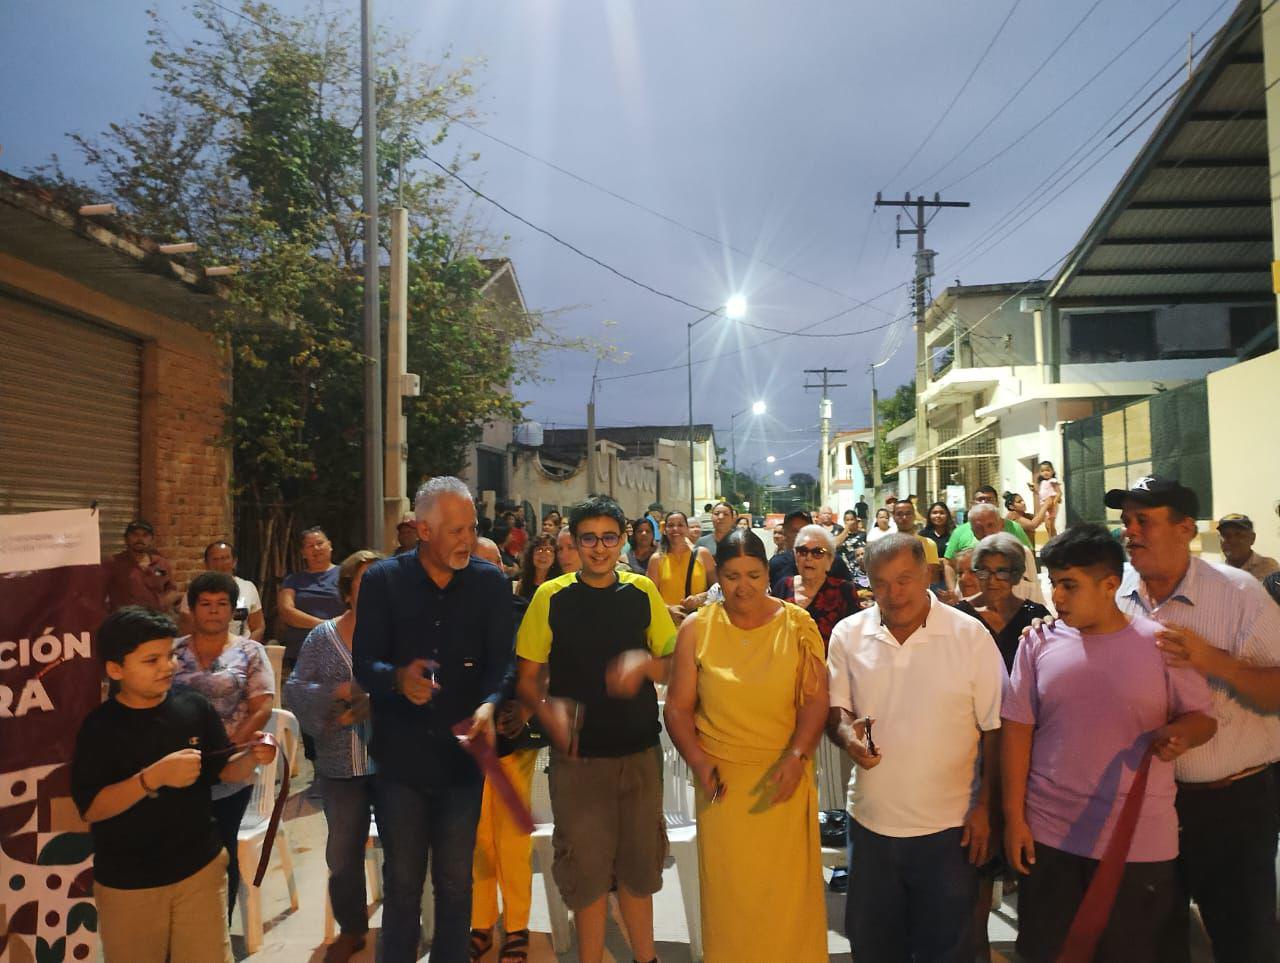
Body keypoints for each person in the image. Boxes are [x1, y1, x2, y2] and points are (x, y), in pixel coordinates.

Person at [1003, 524, 1215, 963]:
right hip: (1049, 835)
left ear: (1110, 585)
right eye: (1053, 584)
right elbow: (1017, 729)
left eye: (1069, 585)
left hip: (1136, 840)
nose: (1057, 597)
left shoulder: (1161, 644)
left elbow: (1203, 719)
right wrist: (1014, 819)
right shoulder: (1038, 642)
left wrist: (1181, 736)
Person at [1105, 476, 1280, 962]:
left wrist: (1215, 661)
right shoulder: (1114, 593)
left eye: (1144, 521)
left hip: (1233, 805)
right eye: (1126, 522)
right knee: (1153, 940)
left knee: (1243, 938)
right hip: (1146, 805)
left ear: (1185, 529)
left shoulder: (1239, 594)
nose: (1131, 532)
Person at [352, 476, 514, 963]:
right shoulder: (383, 581)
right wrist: (398, 680)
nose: (467, 540)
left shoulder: (489, 583)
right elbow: (364, 665)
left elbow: (503, 664)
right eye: (455, 531)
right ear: (423, 529)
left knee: (455, 884)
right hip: (401, 761)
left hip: (462, 763)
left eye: (472, 528)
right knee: (401, 886)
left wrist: (488, 704)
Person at [827, 533, 1006, 962]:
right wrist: (848, 736)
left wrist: (986, 808)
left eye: (905, 579)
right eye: (881, 582)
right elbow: (836, 712)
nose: (894, 593)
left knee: (946, 949)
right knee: (873, 947)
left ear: (926, 572)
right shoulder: (848, 635)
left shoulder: (969, 636)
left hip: (950, 829)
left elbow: (996, 728)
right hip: (870, 826)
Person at [515, 495, 677, 963]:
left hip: (639, 756)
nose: (600, 549)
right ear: (575, 542)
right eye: (589, 538)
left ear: (623, 540)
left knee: (638, 873)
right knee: (585, 878)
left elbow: (673, 664)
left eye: (609, 538)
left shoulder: (642, 592)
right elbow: (527, 681)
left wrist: (645, 662)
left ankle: (644, 958)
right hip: (578, 762)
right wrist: (549, 715)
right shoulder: (552, 597)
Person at [72, 606, 274, 963]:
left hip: (200, 869)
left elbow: (221, 771)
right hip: (130, 883)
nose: (168, 667)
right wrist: (152, 777)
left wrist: (252, 758)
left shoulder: (193, 707)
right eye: (151, 661)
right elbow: (92, 807)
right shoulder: (100, 728)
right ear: (115, 669)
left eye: (168, 656)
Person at [663, 529, 829, 960]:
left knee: (788, 898)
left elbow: (816, 702)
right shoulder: (698, 629)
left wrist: (797, 756)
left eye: (754, 575)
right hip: (723, 789)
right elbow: (678, 710)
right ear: (719, 574)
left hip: (785, 779)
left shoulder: (797, 625)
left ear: (767, 572)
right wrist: (699, 763)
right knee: (731, 899)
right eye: (733, 576)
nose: (744, 586)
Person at [285, 549, 383, 963]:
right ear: (347, 591)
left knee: (404, 849)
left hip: (396, 764)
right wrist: (337, 694)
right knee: (343, 854)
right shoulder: (322, 638)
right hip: (341, 766)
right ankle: (353, 928)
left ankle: (402, 926)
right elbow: (295, 690)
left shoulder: (402, 634)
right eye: (364, 582)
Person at [171, 570, 275, 920]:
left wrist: (227, 748)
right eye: (205, 604)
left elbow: (261, 707)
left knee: (221, 850)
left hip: (231, 766)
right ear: (192, 609)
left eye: (221, 604)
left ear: (233, 610)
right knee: (175, 850)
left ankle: (218, 933)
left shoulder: (250, 651)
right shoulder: (171, 653)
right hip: (174, 768)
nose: (213, 611)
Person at [467, 538, 542, 963]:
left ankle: (517, 928)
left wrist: (528, 708)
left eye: (493, 563)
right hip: (467, 744)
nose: (486, 570)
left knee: (512, 838)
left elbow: (539, 665)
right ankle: (480, 923)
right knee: (477, 838)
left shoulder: (521, 612)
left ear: (505, 568)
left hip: (512, 743)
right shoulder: (451, 615)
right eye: (477, 563)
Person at [957, 533, 1050, 669]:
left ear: (1016, 575)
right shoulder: (959, 614)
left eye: (1002, 572)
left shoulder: (1035, 615)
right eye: (984, 571)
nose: (992, 580)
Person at [776, 524, 863, 649]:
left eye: (818, 552)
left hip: (831, 665)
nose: (808, 558)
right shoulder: (782, 587)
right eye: (802, 551)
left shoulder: (844, 590)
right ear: (795, 556)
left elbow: (856, 639)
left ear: (830, 560)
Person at [278, 527, 345, 672]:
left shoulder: (345, 576)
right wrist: (325, 626)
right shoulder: (293, 580)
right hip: (302, 654)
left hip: (340, 651)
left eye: (320, 543)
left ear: (330, 545)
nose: (316, 548)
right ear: (303, 553)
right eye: (310, 546)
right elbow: (287, 611)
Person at [178, 540, 265, 641]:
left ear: (234, 561)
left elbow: (258, 627)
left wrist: (244, 649)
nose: (220, 563)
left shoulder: (248, 587)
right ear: (206, 564)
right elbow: (187, 629)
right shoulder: (195, 590)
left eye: (225, 558)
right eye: (215, 559)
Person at [646, 510, 717, 626]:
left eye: (680, 525)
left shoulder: (702, 554)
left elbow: (718, 589)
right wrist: (668, 609)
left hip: (699, 623)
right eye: (670, 525)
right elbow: (650, 596)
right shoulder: (656, 559)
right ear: (665, 530)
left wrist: (700, 598)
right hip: (667, 625)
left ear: (687, 529)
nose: (675, 529)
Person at [968, 503, 1044, 605]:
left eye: (990, 525)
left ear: (1001, 524)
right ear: (973, 531)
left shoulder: (1022, 553)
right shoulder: (969, 559)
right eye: (979, 528)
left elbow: (1035, 592)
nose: (986, 532)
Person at [104, 519, 181, 613]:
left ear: (152, 540)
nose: (140, 539)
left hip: (155, 622)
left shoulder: (161, 564)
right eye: (135, 534)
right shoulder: (113, 563)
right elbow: (100, 596)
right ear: (126, 538)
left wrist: (164, 602)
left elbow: (171, 590)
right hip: (125, 622)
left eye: (145, 535)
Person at [770, 509, 851, 594]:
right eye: (795, 531)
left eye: (805, 530)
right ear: (785, 534)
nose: (801, 535)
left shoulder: (833, 561)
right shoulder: (776, 564)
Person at [944, 485, 1035, 556]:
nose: (984, 502)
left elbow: (1027, 555)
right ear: (972, 503)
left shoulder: (1014, 527)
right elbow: (949, 563)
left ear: (997, 503)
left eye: (989, 499)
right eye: (980, 499)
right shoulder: (959, 532)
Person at [892, 499, 944, 588]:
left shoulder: (928, 544)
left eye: (908, 513)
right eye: (900, 514)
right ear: (893, 517)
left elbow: (933, 576)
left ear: (914, 516)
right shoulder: (886, 545)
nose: (904, 517)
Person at [1218, 513, 1280, 581]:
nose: (1233, 541)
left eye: (1239, 535)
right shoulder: (1216, 572)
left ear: (1252, 538)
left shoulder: (1268, 568)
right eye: (1226, 535)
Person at [514, 532, 560, 599]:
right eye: (539, 549)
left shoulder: (558, 585)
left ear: (555, 557)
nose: (543, 555)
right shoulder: (522, 583)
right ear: (531, 554)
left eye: (549, 550)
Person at [1033, 460, 1062, 538]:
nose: (1045, 472)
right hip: (1044, 505)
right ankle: (1052, 540)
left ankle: (1054, 541)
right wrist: (1034, 490)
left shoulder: (1053, 481)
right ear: (1040, 473)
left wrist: (1054, 503)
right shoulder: (1042, 482)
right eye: (1042, 471)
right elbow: (1042, 495)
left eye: (1048, 470)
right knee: (1047, 525)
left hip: (1051, 504)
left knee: (1050, 524)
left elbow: (1059, 493)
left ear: (1052, 471)